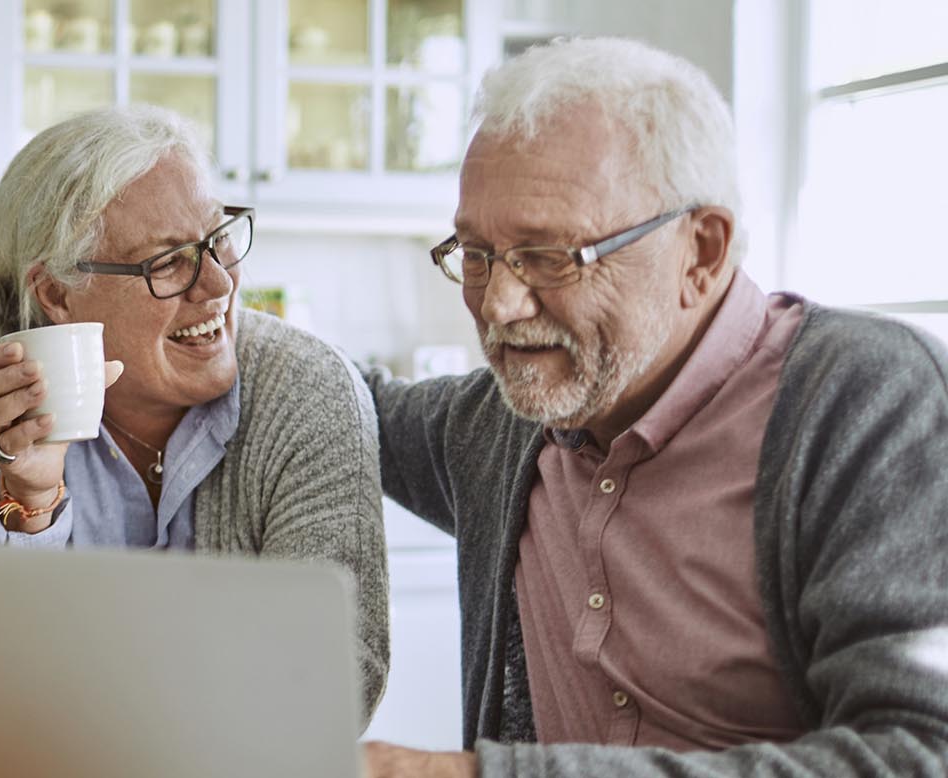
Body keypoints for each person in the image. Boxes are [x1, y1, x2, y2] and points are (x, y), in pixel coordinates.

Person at [360, 37, 948, 777]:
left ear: (701, 252)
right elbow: (353, 404)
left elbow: (918, 755)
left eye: (549, 256)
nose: (500, 304)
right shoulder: (500, 423)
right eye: (476, 254)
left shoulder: (873, 406)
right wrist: (198, 292)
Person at [0, 105, 391, 715]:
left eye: (217, 240)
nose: (219, 286)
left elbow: (338, 678)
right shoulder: (4, 395)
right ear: (56, 295)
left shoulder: (307, 389)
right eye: (167, 262)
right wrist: (30, 501)